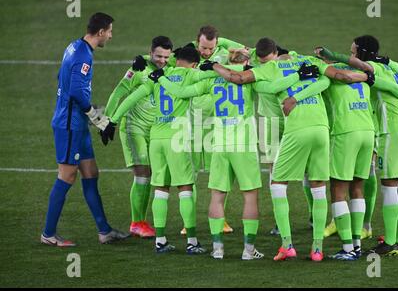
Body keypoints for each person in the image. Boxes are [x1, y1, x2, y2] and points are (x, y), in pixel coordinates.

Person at [202, 37, 374, 261]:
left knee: (277, 183)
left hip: (295, 127)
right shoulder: (308, 60)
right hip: (322, 129)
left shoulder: (270, 68)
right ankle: (317, 249)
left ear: (273, 56)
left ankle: (287, 244)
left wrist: (214, 66)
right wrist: (368, 77)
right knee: (318, 185)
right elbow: (340, 77)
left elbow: (239, 79)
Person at [158, 49, 305, 259]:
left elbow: (181, 93)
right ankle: (248, 250)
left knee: (217, 196)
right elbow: (274, 88)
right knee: (250, 196)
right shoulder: (248, 79)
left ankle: (218, 249)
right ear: (245, 62)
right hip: (243, 146)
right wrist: (299, 75)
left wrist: (162, 78)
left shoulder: (212, 80)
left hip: (219, 145)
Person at [102, 47, 217, 254]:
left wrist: (112, 121)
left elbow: (131, 97)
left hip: (156, 139)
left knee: (161, 189)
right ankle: (192, 241)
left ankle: (161, 241)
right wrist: (215, 66)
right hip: (177, 139)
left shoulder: (157, 77)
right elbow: (215, 74)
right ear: (193, 64)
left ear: (175, 59)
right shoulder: (191, 74)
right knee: (185, 188)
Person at [316, 35, 398, 255]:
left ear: (362, 54)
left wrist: (332, 57)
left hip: (392, 129)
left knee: (388, 183)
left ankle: (388, 242)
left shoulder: (370, 70)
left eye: (353, 52)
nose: (351, 55)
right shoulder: (390, 67)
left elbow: (357, 69)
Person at [41, 12, 129, 247]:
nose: (110, 36)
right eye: (109, 31)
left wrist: (89, 116)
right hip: (69, 125)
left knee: (90, 172)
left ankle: (104, 231)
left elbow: (62, 78)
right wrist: (95, 116)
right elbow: (77, 92)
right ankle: (48, 234)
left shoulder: (75, 46)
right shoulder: (83, 57)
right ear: (100, 32)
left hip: (76, 123)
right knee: (67, 175)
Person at [175, 26, 246, 235]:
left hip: (217, 125)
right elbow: (162, 59)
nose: (206, 52)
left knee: (221, 174)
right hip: (194, 123)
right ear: (197, 42)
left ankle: (221, 219)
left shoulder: (224, 56)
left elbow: (245, 51)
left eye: (210, 48)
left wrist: (222, 42)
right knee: (192, 174)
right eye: (203, 47)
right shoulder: (186, 55)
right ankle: (188, 222)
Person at [104, 36, 173, 238]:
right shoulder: (138, 69)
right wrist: (107, 120)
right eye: (158, 56)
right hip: (134, 128)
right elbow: (119, 93)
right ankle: (137, 222)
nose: (162, 60)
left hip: (155, 129)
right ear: (150, 52)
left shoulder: (171, 63)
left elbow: (189, 53)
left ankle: (141, 221)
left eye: (166, 57)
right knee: (142, 172)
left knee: (149, 173)